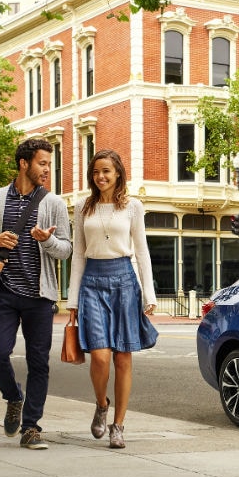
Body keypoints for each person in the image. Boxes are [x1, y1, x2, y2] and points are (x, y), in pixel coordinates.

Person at [0, 138, 73, 449]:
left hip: (40, 297)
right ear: (24, 163)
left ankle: (31, 428)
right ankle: (14, 397)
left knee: (38, 362)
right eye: (42, 163)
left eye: (48, 164)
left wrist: (46, 241)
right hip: (4, 292)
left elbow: (66, 250)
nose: (47, 170)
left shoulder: (53, 204)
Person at [67, 149, 158, 449]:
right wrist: (73, 303)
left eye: (106, 171)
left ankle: (118, 425)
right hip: (92, 281)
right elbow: (78, 255)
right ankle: (101, 403)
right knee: (101, 356)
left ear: (118, 173)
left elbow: (142, 251)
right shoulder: (83, 207)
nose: (100, 176)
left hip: (124, 281)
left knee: (122, 358)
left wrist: (149, 293)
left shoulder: (133, 207)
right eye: (96, 172)